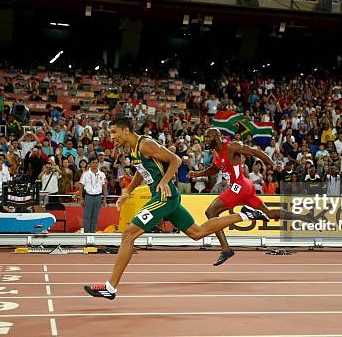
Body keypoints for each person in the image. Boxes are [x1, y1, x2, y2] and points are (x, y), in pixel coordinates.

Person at [84, 117, 269, 300]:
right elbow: (142, 172)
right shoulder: (133, 150)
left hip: (164, 197)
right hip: (167, 197)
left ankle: (110, 287)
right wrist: (128, 191)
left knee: (128, 234)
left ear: (125, 130)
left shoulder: (145, 144)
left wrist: (164, 182)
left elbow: (175, 160)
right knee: (197, 233)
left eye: (114, 132)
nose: (112, 136)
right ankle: (244, 215)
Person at [187, 128, 316, 266]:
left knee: (210, 212)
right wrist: (198, 174)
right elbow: (215, 168)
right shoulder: (215, 152)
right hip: (244, 188)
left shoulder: (232, 147)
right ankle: (305, 217)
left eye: (207, 137)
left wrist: (272, 165)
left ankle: (226, 248)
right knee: (270, 213)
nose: (204, 140)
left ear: (216, 137)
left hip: (240, 185)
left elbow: (256, 152)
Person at [78, 157, 107, 234]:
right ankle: (86, 234)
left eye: (96, 162)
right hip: (88, 196)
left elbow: (104, 186)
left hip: (98, 197)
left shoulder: (102, 174)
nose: (95, 164)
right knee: (87, 216)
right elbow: (80, 186)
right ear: (90, 164)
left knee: (95, 217)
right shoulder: (85, 174)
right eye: (93, 162)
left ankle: (93, 233)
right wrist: (81, 199)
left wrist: (104, 199)